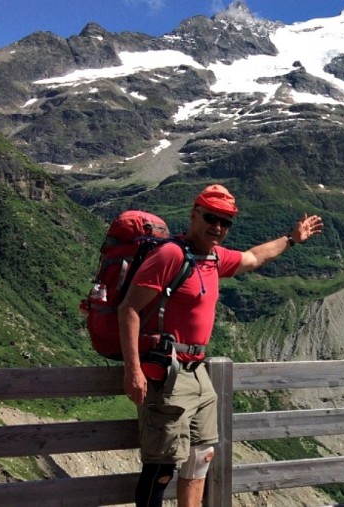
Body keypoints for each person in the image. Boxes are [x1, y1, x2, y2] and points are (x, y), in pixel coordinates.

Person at [118, 184, 324, 507]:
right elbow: (128, 308)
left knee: (199, 461)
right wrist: (133, 371)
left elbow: (253, 257)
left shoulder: (213, 258)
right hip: (168, 372)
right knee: (160, 467)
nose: (217, 227)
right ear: (193, 215)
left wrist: (291, 239)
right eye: (211, 218)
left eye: (225, 222)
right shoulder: (171, 255)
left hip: (198, 372)